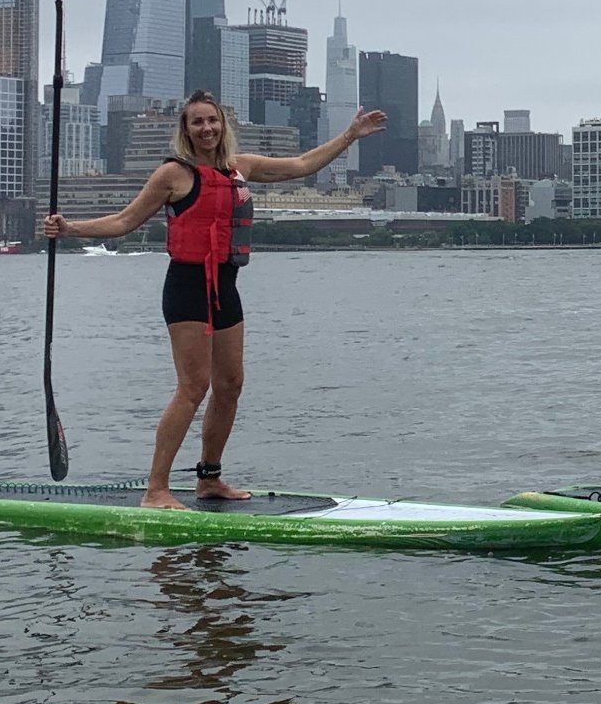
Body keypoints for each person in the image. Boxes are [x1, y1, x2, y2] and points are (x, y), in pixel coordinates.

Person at [41, 90, 387, 508]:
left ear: (223, 125)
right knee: (193, 387)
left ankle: (209, 479)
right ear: (186, 131)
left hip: (226, 286)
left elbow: (300, 165)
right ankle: (156, 489)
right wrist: (70, 228)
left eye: (212, 120)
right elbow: (124, 221)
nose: (206, 128)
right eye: (197, 122)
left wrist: (349, 135)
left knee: (230, 385)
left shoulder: (240, 167)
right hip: (187, 287)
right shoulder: (173, 174)